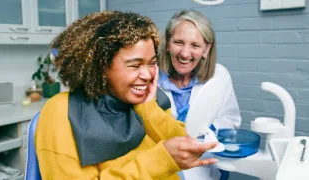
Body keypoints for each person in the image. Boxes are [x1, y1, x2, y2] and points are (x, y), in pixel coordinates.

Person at [35, 11, 219, 180]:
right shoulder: (62, 112)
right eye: (134, 65)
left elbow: (184, 142)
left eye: (151, 63)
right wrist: (158, 160)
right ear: (101, 67)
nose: (147, 75)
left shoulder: (148, 99)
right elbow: (165, 157)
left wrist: (148, 110)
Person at [158, 10, 242, 180]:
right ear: (167, 43)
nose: (185, 53)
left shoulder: (219, 76)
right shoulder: (149, 78)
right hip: (161, 168)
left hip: (204, 169)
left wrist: (205, 129)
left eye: (195, 45)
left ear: (206, 49)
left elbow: (232, 121)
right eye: (179, 42)